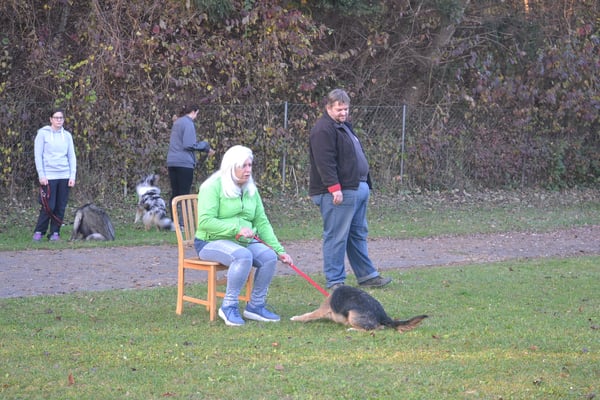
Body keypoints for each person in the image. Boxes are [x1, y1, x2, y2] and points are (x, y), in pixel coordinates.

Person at [194, 145, 293, 327]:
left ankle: (255, 306)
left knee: (269, 257)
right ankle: (229, 306)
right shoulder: (211, 186)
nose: (248, 170)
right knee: (243, 255)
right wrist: (236, 229)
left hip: (243, 241)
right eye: (243, 166)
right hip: (210, 241)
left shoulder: (251, 189)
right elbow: (205, 222)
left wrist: (279, 251)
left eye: (250, 165)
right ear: (231, 167)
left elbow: (262, 222)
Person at [308, 88, 391, 290]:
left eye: (345, 109)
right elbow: (324, 162)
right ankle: (335, 280)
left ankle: (367, 275)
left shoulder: (343, 127)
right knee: (336, 236)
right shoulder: (323, 130)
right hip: (338, 193)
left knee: (357, 234)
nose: (343, 113)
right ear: (328, 107)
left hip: (356, 188)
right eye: (339, 109)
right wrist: (334, 188)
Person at [32, 108, 77, 242]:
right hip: (49, 177)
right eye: (56, 118)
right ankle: (39, 231)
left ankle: (55, 233)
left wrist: (72, 176)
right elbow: (38, 156)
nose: (59, 120)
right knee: (48, 206)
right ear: (51, 119)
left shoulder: (67, 136)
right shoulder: (43, 134)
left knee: (60, 206)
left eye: (61, 118)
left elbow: (71, 156)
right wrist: (41, 175)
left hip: (64, 175)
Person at [166, 104, 215, 218]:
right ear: (193, 112)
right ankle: (182, 222)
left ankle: (174, 221)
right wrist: (205, 146)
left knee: (175, 193)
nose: (196, 116)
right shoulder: (188, 123)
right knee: (184, 195)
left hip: (172, 162)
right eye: (197, 114)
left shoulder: (177, 123)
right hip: (184, 164)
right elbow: (189, 145)